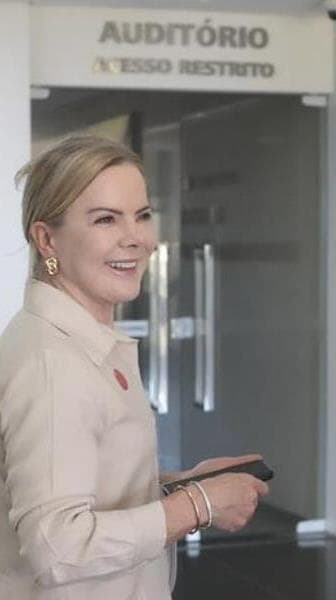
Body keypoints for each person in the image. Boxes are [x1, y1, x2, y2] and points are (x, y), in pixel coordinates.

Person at [0, 135, 269, 599]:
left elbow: (80, 486)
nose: (138, 238)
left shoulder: (78, 344)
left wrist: (179, 485)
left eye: (142, 215)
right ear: (47, 239)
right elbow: (57, 547)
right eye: (106, 219)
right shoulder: (54, 365)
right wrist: (199, 505)